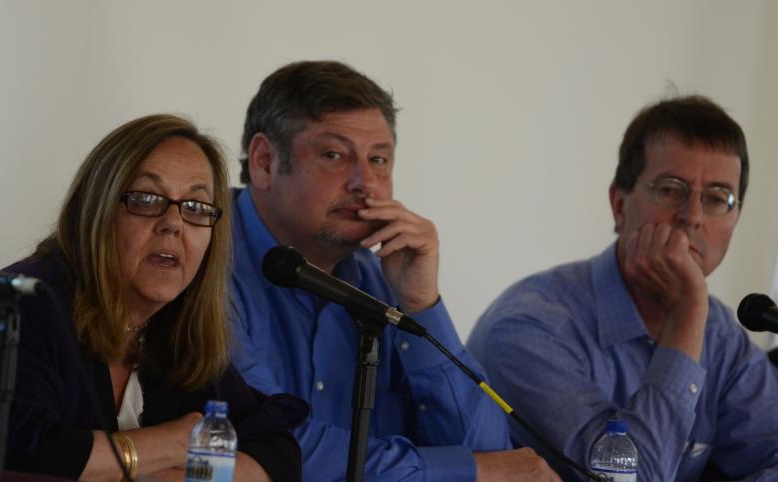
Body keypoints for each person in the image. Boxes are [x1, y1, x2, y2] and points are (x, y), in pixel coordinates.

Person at [0, 115, 306, 482]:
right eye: (147, 199)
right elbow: (23, 453)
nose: (173, 224)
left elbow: (277, 449)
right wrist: (172, 442)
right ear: (97, 211)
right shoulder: (22, 302)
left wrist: (172, 475)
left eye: (196, 207)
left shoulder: (173, 325)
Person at [229, 60, 560, 482]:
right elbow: (273, 443)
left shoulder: (383, 276)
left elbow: (485, 446)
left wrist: (422, 303)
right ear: (263, 161)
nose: (365, 182)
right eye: (334, 155)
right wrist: (469, 471)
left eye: (380, 160)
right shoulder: (203, 259)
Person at [468, 95, 778, 481]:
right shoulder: (527, 329)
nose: (693, 217)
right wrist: (686, 316)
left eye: (717, 198)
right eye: (670, 189)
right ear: (619, 205)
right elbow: (632, 478)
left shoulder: (721, 335)